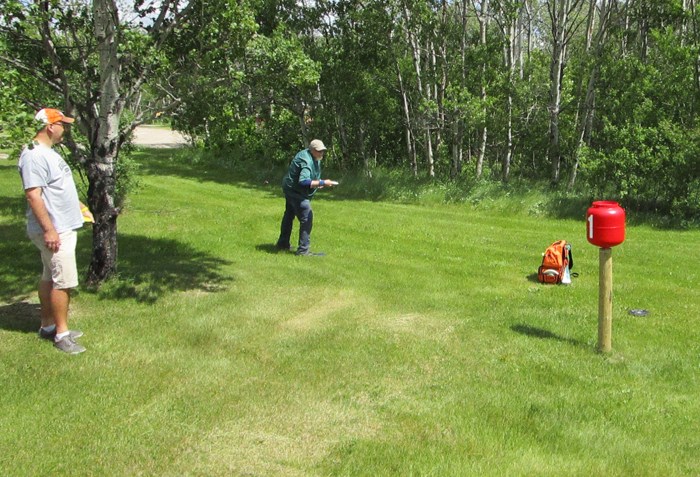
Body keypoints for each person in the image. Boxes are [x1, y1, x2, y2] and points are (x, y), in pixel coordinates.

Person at [18, 108, 93, 354]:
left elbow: (56, 190)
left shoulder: (47, 153)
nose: (65, 129)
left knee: (49, 275)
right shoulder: (34, 155)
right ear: (50, 126)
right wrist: (49, 230)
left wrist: (77, 207)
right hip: (55, 230)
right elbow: (33, 195)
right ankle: (62, 335)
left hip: (61, 225)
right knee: (63, 281)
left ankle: (48, 326)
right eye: (63, 125)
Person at [276, 139, 338, 256]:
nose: (321, 154)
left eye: (323, 151)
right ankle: (303, 250)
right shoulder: (306, 160)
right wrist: (322, 182)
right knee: (307, 217)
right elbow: (303, 181)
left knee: (289, 215)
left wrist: (317, 183)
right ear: (312, 150)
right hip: (295, 192)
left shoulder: (312, 157)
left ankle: (283, 244)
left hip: (290, 188)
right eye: (319, 151)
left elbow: (310, 178)